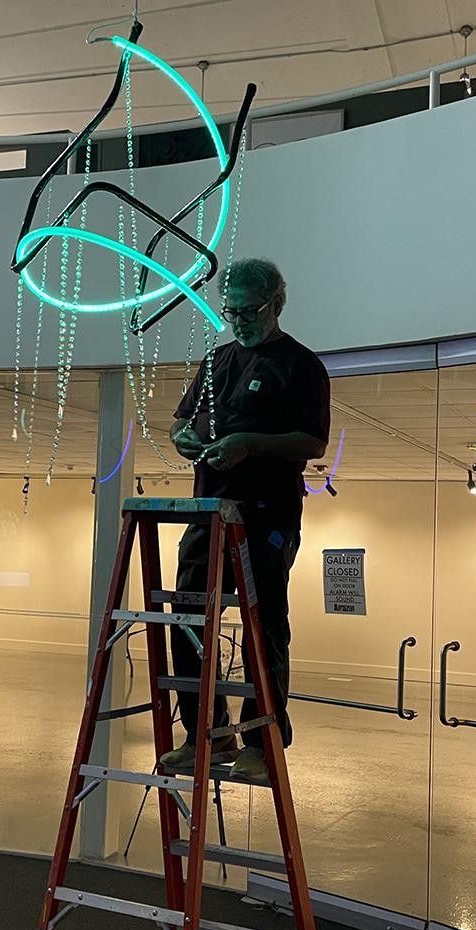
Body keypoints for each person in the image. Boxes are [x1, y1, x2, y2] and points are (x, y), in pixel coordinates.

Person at [160, 258, 330, 785]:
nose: (238, 320)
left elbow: (313, 442)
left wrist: (251, 444)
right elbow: (180, 421)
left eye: (248, 310)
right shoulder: (216, 363)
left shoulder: (300, 366)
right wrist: (182, 437)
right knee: (189, 623)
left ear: (277, 303)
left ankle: (264, 737)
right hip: (207, 512)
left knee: (263, 628)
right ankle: (205, 732)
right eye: (229, 309)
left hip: (264, 517)